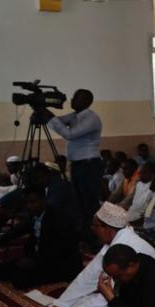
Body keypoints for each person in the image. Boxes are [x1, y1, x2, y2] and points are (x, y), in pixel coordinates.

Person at [48, 202, 155, 307]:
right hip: (128, 297)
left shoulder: (126, 247)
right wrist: (59, 304)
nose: (92, 229)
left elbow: (113, 293)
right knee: (76, 305)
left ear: (107, 228)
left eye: (95, 225)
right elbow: (88, 276)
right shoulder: (116, 240)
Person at [0, 185, 82, 289]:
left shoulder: (58, 219)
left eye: (32, 202)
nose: (29, 206)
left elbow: (61, 250)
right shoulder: (33, 215)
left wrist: (35, 263)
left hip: (58, 262)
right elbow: (17, 230)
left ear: (43, 200)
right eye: (26, 203)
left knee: (20, 280)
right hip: (38, 258)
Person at [39, 88, 103, 233]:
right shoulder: (75, 116)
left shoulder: (91, 118)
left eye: (76, 97)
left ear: (86, 101)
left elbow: (70, 134)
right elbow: (59, 122)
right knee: (79, 202)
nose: (72, 100)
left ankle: (94, 235)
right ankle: (84, 232)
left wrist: (49, 115)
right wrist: (44, 114)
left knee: (89, 203)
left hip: (89, 165)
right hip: (79, 165)